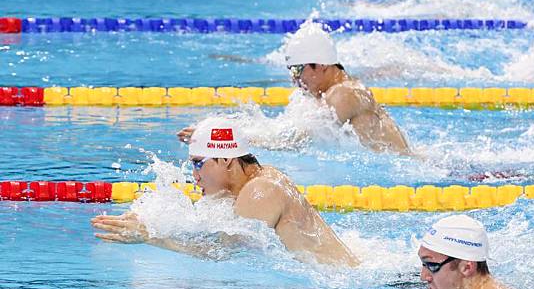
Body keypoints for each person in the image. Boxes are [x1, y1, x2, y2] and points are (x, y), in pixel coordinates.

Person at [92, 117, 359, 267]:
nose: (194, 175)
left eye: (199, 163)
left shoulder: (261, 191)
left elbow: (219, 252)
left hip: (339, 280)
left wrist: (150, 236)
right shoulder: (251, 181)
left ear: (227, 160)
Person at [178, 22, 412, 155]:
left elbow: (293, 141)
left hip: (407, 167)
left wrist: (217, 139)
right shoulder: (331, 93)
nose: (295, 80)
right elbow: (283, 130)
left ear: (319, 65)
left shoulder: (343, 94)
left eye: (297, 71)